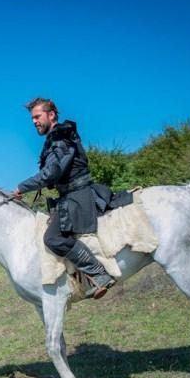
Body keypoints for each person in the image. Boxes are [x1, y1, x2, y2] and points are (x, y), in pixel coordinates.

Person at [12, 97, 116, 299]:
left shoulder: (61, 137)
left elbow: (52, 172)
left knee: (52, 238)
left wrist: (21, 187)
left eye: (37, 116)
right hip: (68, 195)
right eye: (32, 118)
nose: (34, 121)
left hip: (78, 195)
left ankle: (99, 273)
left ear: (51, 115)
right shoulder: (55, 139)